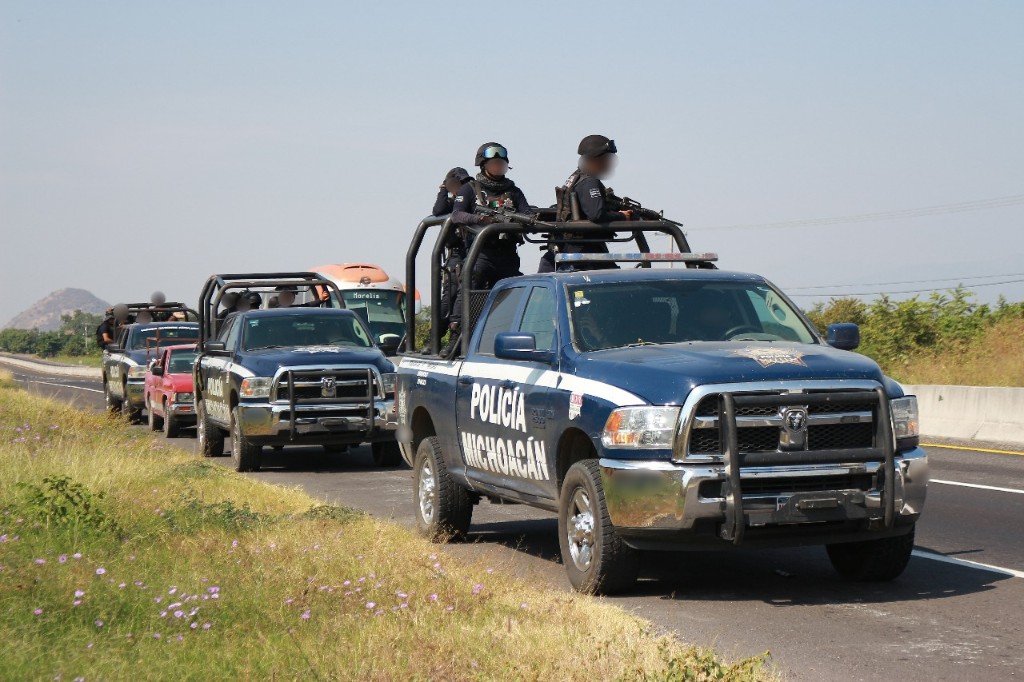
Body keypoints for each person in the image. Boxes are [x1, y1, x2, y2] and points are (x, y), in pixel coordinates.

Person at [448, 142, 534, 336]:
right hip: (481, 253)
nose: (498, 166)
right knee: (469, 292)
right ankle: (457, 337)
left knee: (510, 298)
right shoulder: (470, 189)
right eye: (494, 162)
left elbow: (527, 213)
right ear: (483, 164)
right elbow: (457, 216)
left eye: (501, 162)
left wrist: (517, 221)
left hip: (507, 253)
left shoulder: (514, 190)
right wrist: (481, 219)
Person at [539, 134, 631, 273]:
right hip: (585, 251)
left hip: (575, 247)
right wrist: (623, 217)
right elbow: (596, 214)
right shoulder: (589, 182)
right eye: (606, 160)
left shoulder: (577, 177)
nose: (608, 164)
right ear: (596, 159)